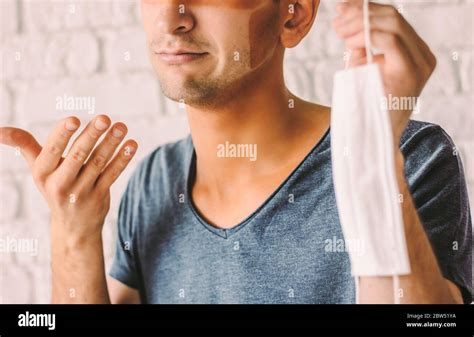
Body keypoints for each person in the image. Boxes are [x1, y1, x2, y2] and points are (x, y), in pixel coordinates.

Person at [0, 0, 471, 304]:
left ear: (294, 15)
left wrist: (371, 162)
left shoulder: (411, 156)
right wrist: (73, 234)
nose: (170, 19)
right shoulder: (154, 183)